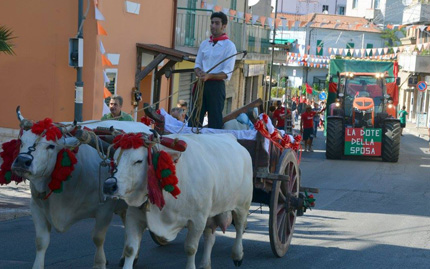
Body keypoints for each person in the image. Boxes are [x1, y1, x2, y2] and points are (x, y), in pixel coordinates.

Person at [189, 11, 237, 129]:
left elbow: (227, 73)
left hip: (216, 86)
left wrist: (209, 76)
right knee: (194, 118)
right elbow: (197, 64)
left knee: (215, 120)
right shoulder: (205, 44)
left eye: (216, 23)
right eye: (212, 23)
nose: (213, 26)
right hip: (201, 85)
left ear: (224, 26)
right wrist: (199, 72)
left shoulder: (229, 46)